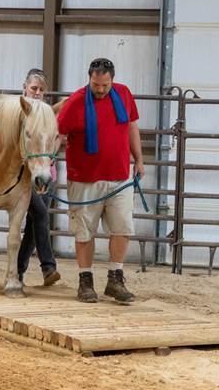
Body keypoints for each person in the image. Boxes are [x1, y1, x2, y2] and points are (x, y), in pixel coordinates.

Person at [57, 58, 145, 303]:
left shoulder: (124, 94)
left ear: (112, 80)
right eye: (96, 84)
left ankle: (115, 279)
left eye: (105, 85)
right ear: (90, 79)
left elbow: (131, 127)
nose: (100, 89)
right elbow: (59, 134)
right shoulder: (75, 102)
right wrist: (48, 163)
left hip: (119, 175)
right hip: (85, 179)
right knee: (84, 231)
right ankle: (85, 281)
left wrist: (138, 159)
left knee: (123, 228)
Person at [17, 69, 61, 286]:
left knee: (35, 222)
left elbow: (55, 138)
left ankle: (19, 270)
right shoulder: (20, 112)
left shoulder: (46, 113)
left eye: (41, 90)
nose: (37, 93)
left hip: (46, 171)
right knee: (41, 215)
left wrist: (51, 157)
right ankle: (48, 266)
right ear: (25, 87)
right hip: (24, 176)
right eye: (34, 88)